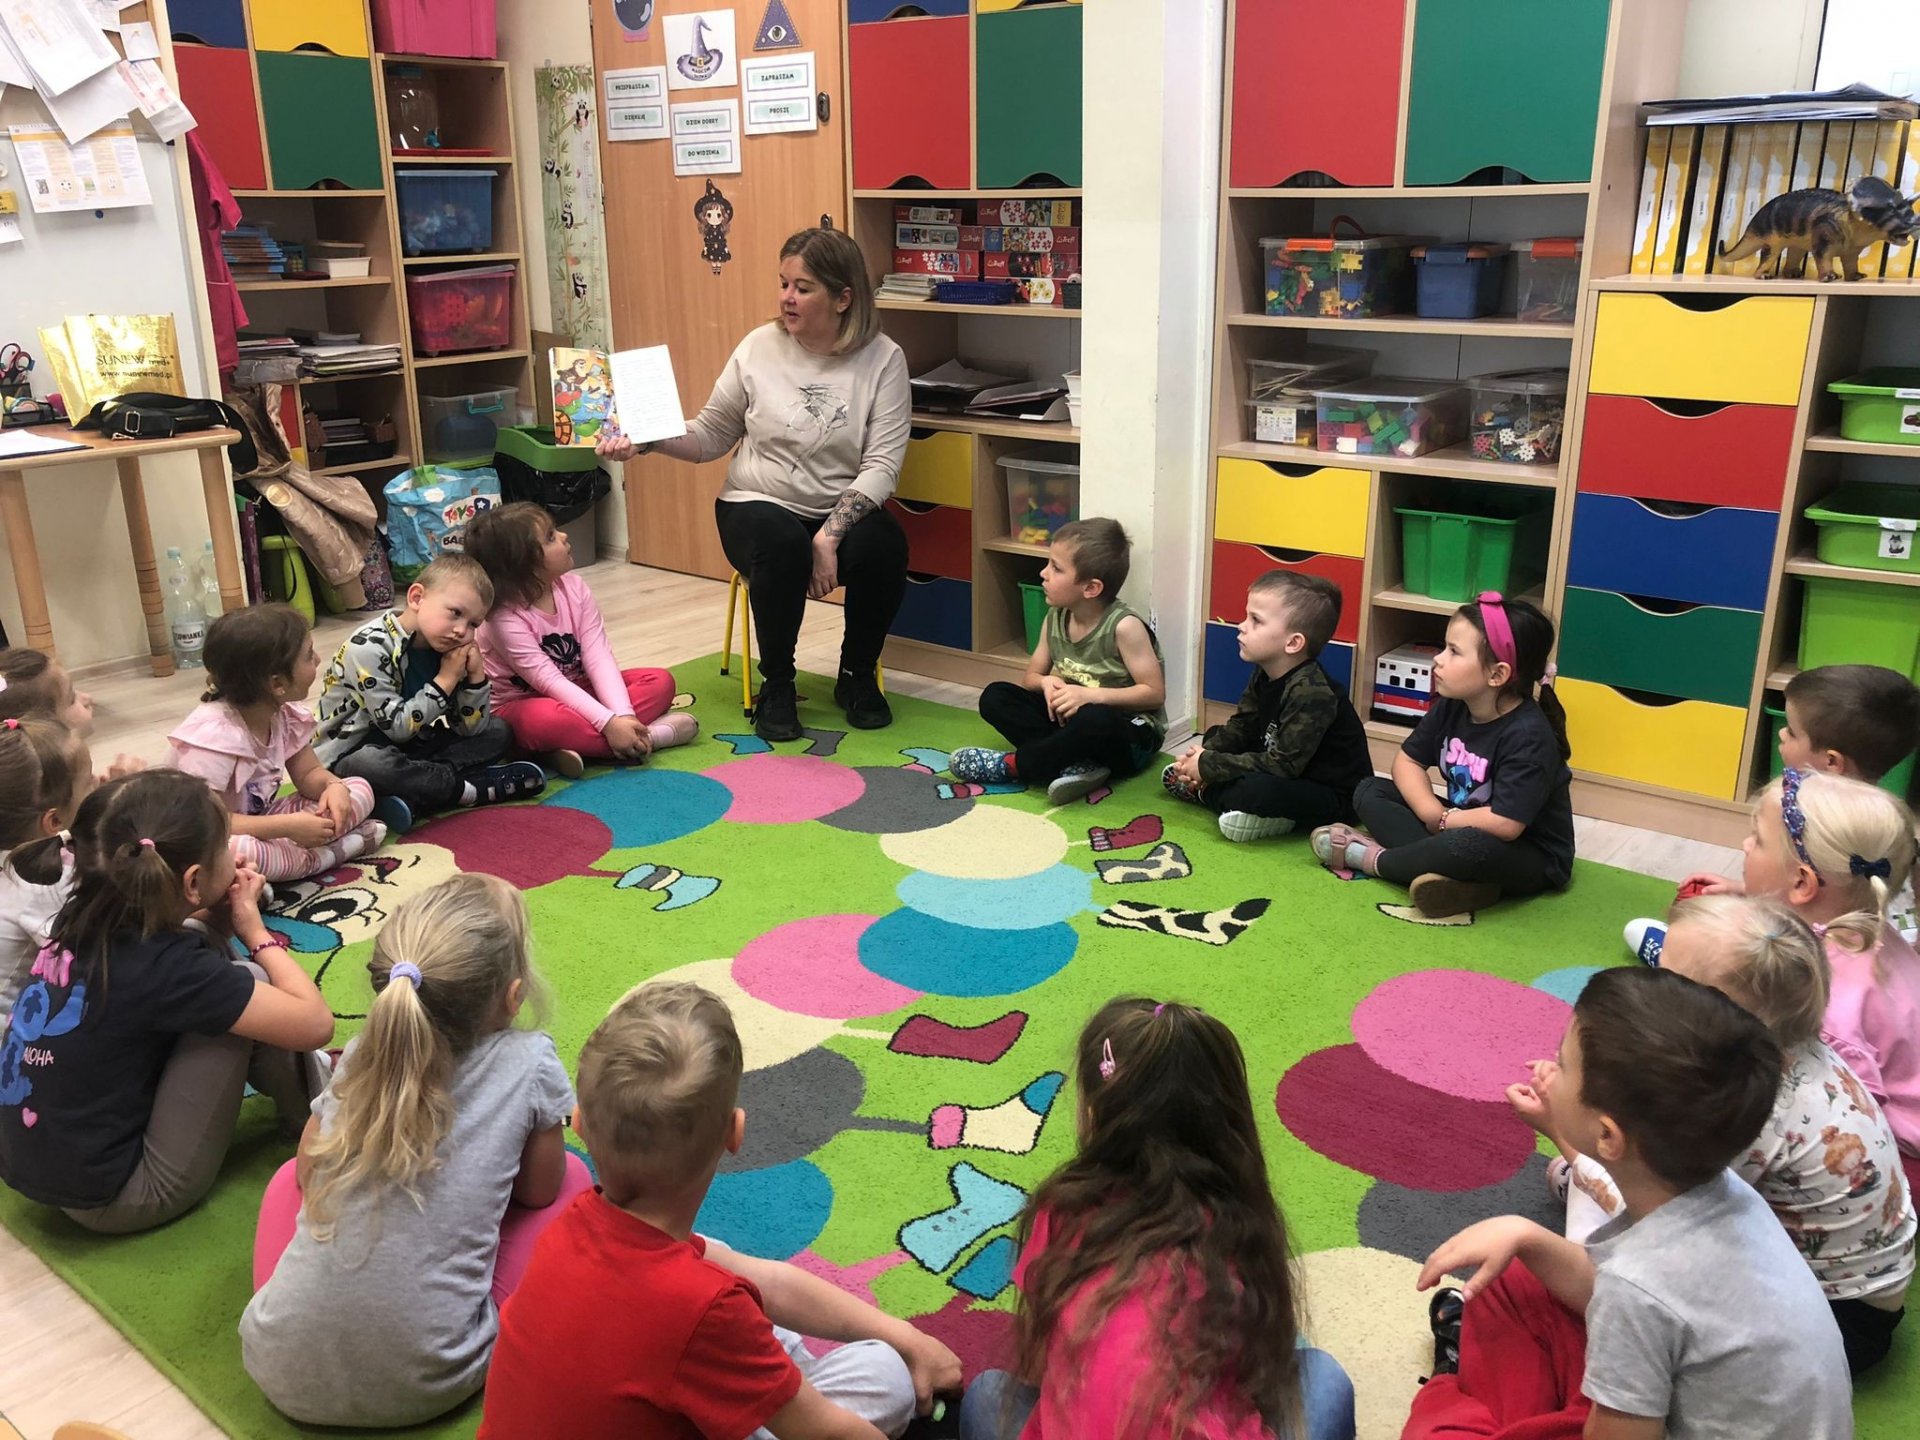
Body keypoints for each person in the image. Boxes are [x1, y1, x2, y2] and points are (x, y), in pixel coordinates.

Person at [479, 980, 962, 1439]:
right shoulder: (702, 1309)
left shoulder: (573, 1226)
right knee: (884, 1373)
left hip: (670, 1357)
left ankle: (769, 1376)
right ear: (735, 1133)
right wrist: (898, 1351)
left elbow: (771, 1284)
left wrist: (905, 1335)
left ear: (580, 1127)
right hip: (702, 1337)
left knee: (719, 1265)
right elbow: (830, 1433)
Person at [1404, 967, 1850, 1440]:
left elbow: (1637, 1301)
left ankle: (1452, 1392)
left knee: (1437, 1431)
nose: (1549, 1072)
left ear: (1607, 1136)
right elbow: (1638, 1295)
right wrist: (1526, 1234)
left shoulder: (1638, 1287)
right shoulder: (1720, 1191)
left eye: (1563, 1064)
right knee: (1517, 1274)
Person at [242, 874, 589, 1427]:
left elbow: (310, 1169)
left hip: (278, 1366)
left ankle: (306, 1310)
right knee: (571, 1179)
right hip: (432, 1379)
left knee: (290, 1178)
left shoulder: (363, 1051)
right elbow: (538, 1191)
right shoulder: (530, 1060)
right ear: (513, 995)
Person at [1517, 894, 1914, 1374]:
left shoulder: (1741, 1108)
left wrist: (1563, 1132)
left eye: (1662, 979)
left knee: (1619, 1250)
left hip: (1834, 1325)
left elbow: (1660, 1215)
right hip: (1864, 1287)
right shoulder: (1784, 1049)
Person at [963, 998, 1354, 1440]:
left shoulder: (1060, 1210)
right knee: (1319, 1375)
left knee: (987, 1395)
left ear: (1093, 1113)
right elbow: (1258, 1375)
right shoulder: (1237, 1225)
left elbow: (1041, 1367)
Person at [596, 227, 911, 743]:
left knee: (886, 544)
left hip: (836, 510)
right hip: (755, 503)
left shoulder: (883, 359)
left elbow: (882, 466)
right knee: (781, 543)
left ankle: (856, 674)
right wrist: (647, 440)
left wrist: (829, 536)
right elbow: (710, 435)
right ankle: (778, 684)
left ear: (843, 298)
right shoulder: (758, 346)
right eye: (783, 283)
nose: (787, 298)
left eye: (803, 288)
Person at [0, 769, 334, 1234]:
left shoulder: (79, 916)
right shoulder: (168, 968)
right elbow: (315, 1023)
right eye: (224, 849)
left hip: (37, 1164)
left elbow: (170, 960)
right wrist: (254, 931)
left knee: (212, 966)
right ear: (193, 881)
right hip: (124, 1196)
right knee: (252, 981)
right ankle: (316, 1119)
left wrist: (216, 917)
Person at [1664, 769, 1920, 1158]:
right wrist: (1749, 894)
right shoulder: (1866, 925)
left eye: (1758, 840)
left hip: (1898, 1151)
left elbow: (1854, 1120)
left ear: (1802, 883)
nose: (1746, 845)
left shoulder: (1822, 1003)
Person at [1628, 661, 1920, 962]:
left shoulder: (1804, 821)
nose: (1781, 734)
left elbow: (1811, 906)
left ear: (1832, 762)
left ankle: (1672, 960)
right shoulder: (1889, 827)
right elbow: (1821, 897)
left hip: (1808, 962)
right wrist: (1746, 889)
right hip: (1870, 957)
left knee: (1696, 943)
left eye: (1792, 732)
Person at [1312, 593, 1573, 919]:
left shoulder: (1528, 736)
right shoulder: (1453, 704)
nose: (1438, 659)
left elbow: (1506, 824)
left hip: (1529, 853)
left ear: (1497, 675)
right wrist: (1431, 812)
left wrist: (1446, 821)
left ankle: (1377, 861)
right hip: (1457, 822)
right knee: (1369, 790)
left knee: (1466, 846)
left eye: (1454, 651)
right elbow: (1407, 762)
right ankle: (1456, 881)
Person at [314, 552, 544, 833]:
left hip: (414, 750)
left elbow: (470, 729)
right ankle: (464, 789)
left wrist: (475, 679)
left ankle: (417, 794)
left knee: (498, 731)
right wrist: (445, 680)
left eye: (473, 624)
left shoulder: (447, 647)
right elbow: (398, 728)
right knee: (372, 764)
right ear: (416, 598)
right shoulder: (367, 647)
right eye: (455, 613)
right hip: (352, 756)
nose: (461, 630)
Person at [464, 501, 697, 776]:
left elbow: (599, 657)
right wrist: (607, 723)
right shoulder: (502, 617)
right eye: (551, 537)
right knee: (544, 721)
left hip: (577, 689)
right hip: (522, 704)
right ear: (524, 563)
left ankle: (593, 743)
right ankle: (651, 738)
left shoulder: (575, 588)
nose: (564, 536)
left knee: (659, 681)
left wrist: (622, 715)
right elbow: (548, 680)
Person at [950, 519, 1168, 805]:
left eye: (1056, 568)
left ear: (1091, 588)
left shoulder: (1124, 627)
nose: (1043, 573)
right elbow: (1030, 678)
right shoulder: (1055, 616)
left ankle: (1016, 766)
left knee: (1095, 718)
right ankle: (1075, 763)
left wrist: (1089, 696)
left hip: (1128, 735)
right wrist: (1047, 682)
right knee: (996, 696)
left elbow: (1153, 693)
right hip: (1072, 722)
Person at [168, 604, 384, 882]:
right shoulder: (213, 739)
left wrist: (333, 787)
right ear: (277, 683)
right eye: (308, 655)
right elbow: (210, 824)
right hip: (208, 837)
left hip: (263, 820)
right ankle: (328, 856)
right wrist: (286, 826)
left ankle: (292, 856)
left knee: (359, 787)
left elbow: (308, 773)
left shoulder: (281, 714)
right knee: (237, 851)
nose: (318, 659)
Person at [1162, 570, 1371, 842]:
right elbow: (1243, 726)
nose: (1242, 626)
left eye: (1256, 620)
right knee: (1215, 735)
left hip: (1330, 794)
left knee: (1256, 790)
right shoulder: (1265, 671)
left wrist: (1209, 766)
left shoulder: (1312, 692)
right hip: (1285, 764)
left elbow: (1283, 766)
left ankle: (1204, 791)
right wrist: (1201, 756)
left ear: (1293, 642)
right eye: (1246, 616)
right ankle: (1221, 792)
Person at [0, 715, 90, 1013]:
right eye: (88, 783)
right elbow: (86, 955)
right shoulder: (41, 882)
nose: (97, 784)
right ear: (54, 820)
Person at [0, 646, 141, 784]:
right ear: (41, 727)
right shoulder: (62, 786)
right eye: (72, 699)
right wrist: (123, 790)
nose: (88, 698)